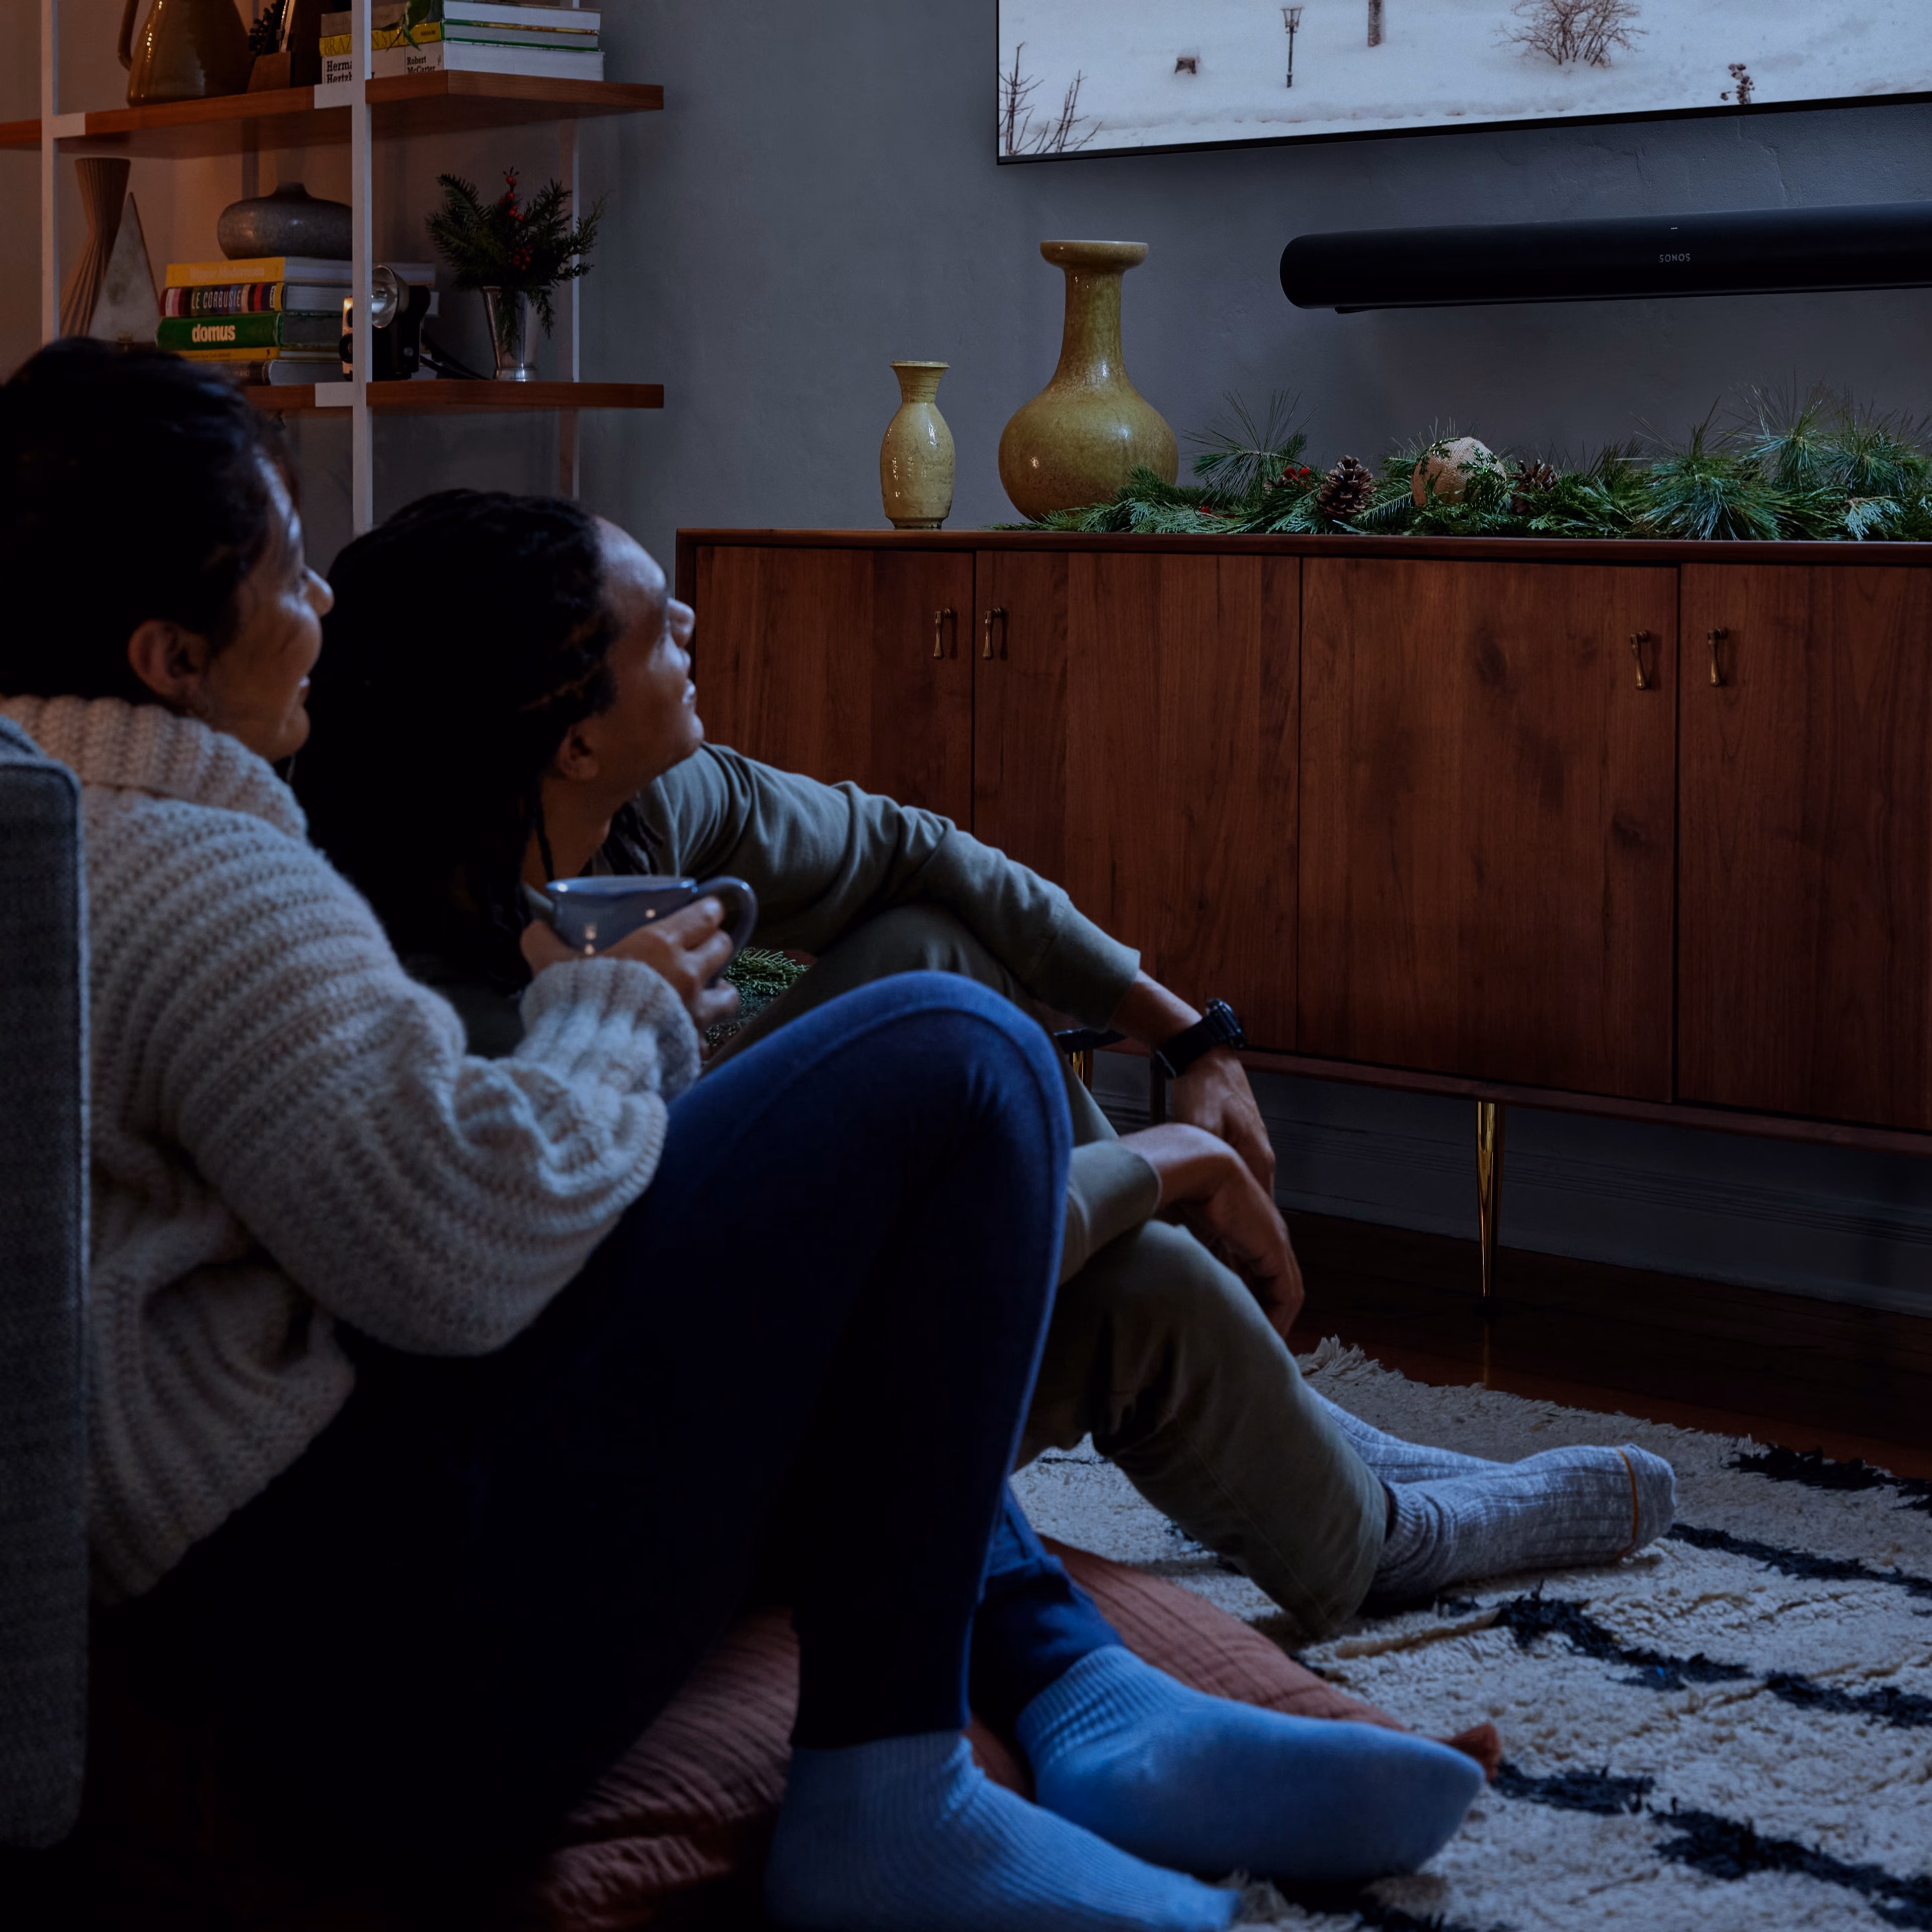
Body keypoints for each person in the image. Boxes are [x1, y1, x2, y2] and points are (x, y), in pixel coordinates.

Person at [0, 342, 1484, 1930]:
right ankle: (901, 1793)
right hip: (392, 1653)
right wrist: (617, 1012)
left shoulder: (85, 834)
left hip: (329, 1603)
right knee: (958, 1050)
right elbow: (455, 1258)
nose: (326, 612)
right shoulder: (197, 876)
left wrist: (1187, 1041)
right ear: (168, 654)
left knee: (927, 1012)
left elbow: (893, 854)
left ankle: (1073, 1692)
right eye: (289, 574)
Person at [295, 488, 1679, 1640]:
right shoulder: (401, 997)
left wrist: (1189, 1041)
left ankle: (1314, 1456)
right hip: (657, 1406)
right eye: (662, 628)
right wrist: (1164, 1165)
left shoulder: (648, 809)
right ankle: (1375, 1538)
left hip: (763, 1291)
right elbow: (729, 1272)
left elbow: (913, 852)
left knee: (922, 950)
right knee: (1132, 1280)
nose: (697, 627)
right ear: (571, 732)